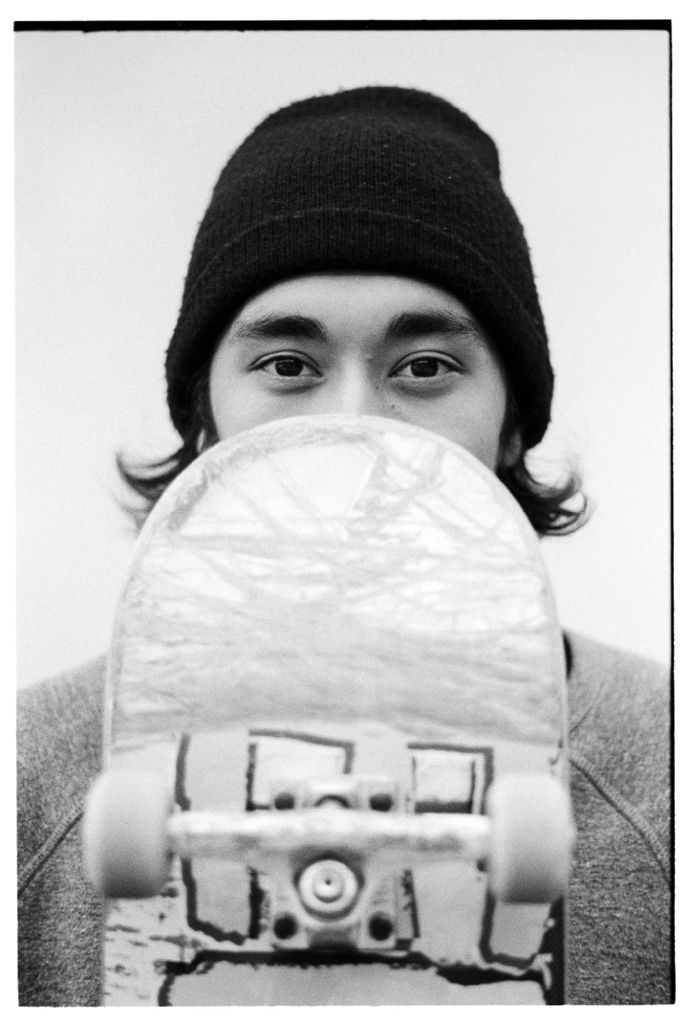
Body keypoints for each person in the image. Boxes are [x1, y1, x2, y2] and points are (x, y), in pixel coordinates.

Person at [17, 85, 671, 1005]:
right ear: (204, 416)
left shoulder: (665, 767)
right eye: (288, 366)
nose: (355, 428)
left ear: (513, 425)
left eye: (425, 367)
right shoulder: (29, 781)